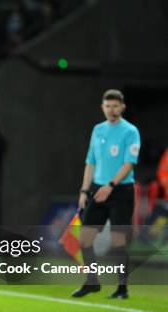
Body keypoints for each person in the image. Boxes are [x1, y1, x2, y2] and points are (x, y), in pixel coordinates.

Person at [72, 89, 140, 299]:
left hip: (120, 191)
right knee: (85, 238)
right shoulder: (98, 130)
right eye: (108, 106)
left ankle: (122, 288)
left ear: (123, 107)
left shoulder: (130, 131)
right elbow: (90, 162)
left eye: (115, 106)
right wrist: (84, 190)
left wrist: (111, 185)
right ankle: (92, 281)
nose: (111, 110)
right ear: (102, 107)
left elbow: (129, 163)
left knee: (118, 240)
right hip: (98, 190)